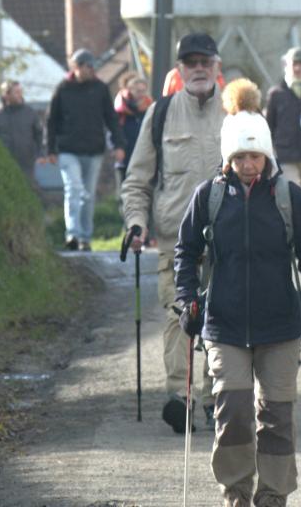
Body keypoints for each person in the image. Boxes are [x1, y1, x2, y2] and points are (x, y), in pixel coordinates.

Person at [173, 111, 301, 507]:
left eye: (254, 156)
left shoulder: (287, 196)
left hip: (281, 325)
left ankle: (273, 496)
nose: (247, 164)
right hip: (223, 324)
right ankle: (236, 493)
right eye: (239, 157)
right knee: (234, 411)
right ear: (228, 159)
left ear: (267, 156)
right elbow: (186, 252)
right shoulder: (209, 197)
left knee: (277, 415)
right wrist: (186, 298)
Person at [121, 32, 225, 432]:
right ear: (180, 70)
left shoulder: (236, 112)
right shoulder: (160, 113)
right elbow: (137, 179)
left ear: (216, 67)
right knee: (179, 314)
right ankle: (181, 398)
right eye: (190, 63)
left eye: (205, 62)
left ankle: (217, 398)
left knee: (223, 318)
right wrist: (136, 222)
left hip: (229, 241)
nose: (198, 69)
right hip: (175, 240)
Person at [46, 49, 125, 251]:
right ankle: (72, 233)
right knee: (73, 189)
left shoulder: (100, 89)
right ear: (77, 67)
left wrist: (118, 144)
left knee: (87, 195)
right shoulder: (63, 89)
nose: (91, 70)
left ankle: (85, 237)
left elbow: (111, 118)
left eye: (92, 67)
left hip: (93, 150)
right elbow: (51, 120)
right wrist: (51, 149)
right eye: (88, 66)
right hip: (68, 149)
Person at [266, 47, 301, 219]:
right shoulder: (276, 93)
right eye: (294, 63)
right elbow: (269, 126)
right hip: (285, 154)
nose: (297, 68)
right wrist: (271, 152)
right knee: (289, 191)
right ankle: (289, 228)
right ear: (286, 65)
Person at [0, 80, 43, 183]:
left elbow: (39, 135)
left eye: (21, 92)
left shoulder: (30, 113)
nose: (20, 95)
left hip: (26, 164)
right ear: (6, 95)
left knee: (27, 189)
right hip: (3, 164)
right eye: (16, 92)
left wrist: (39, 154)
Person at [113, 73, 154, 193]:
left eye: (143, 91)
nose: (141, 94)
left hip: (144, 157)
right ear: (130, 90)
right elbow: (113, 131)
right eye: (138, 91)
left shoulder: (150, 109)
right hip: (125, 157)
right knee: (124, 192)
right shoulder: (120, 110)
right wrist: (117, 148)